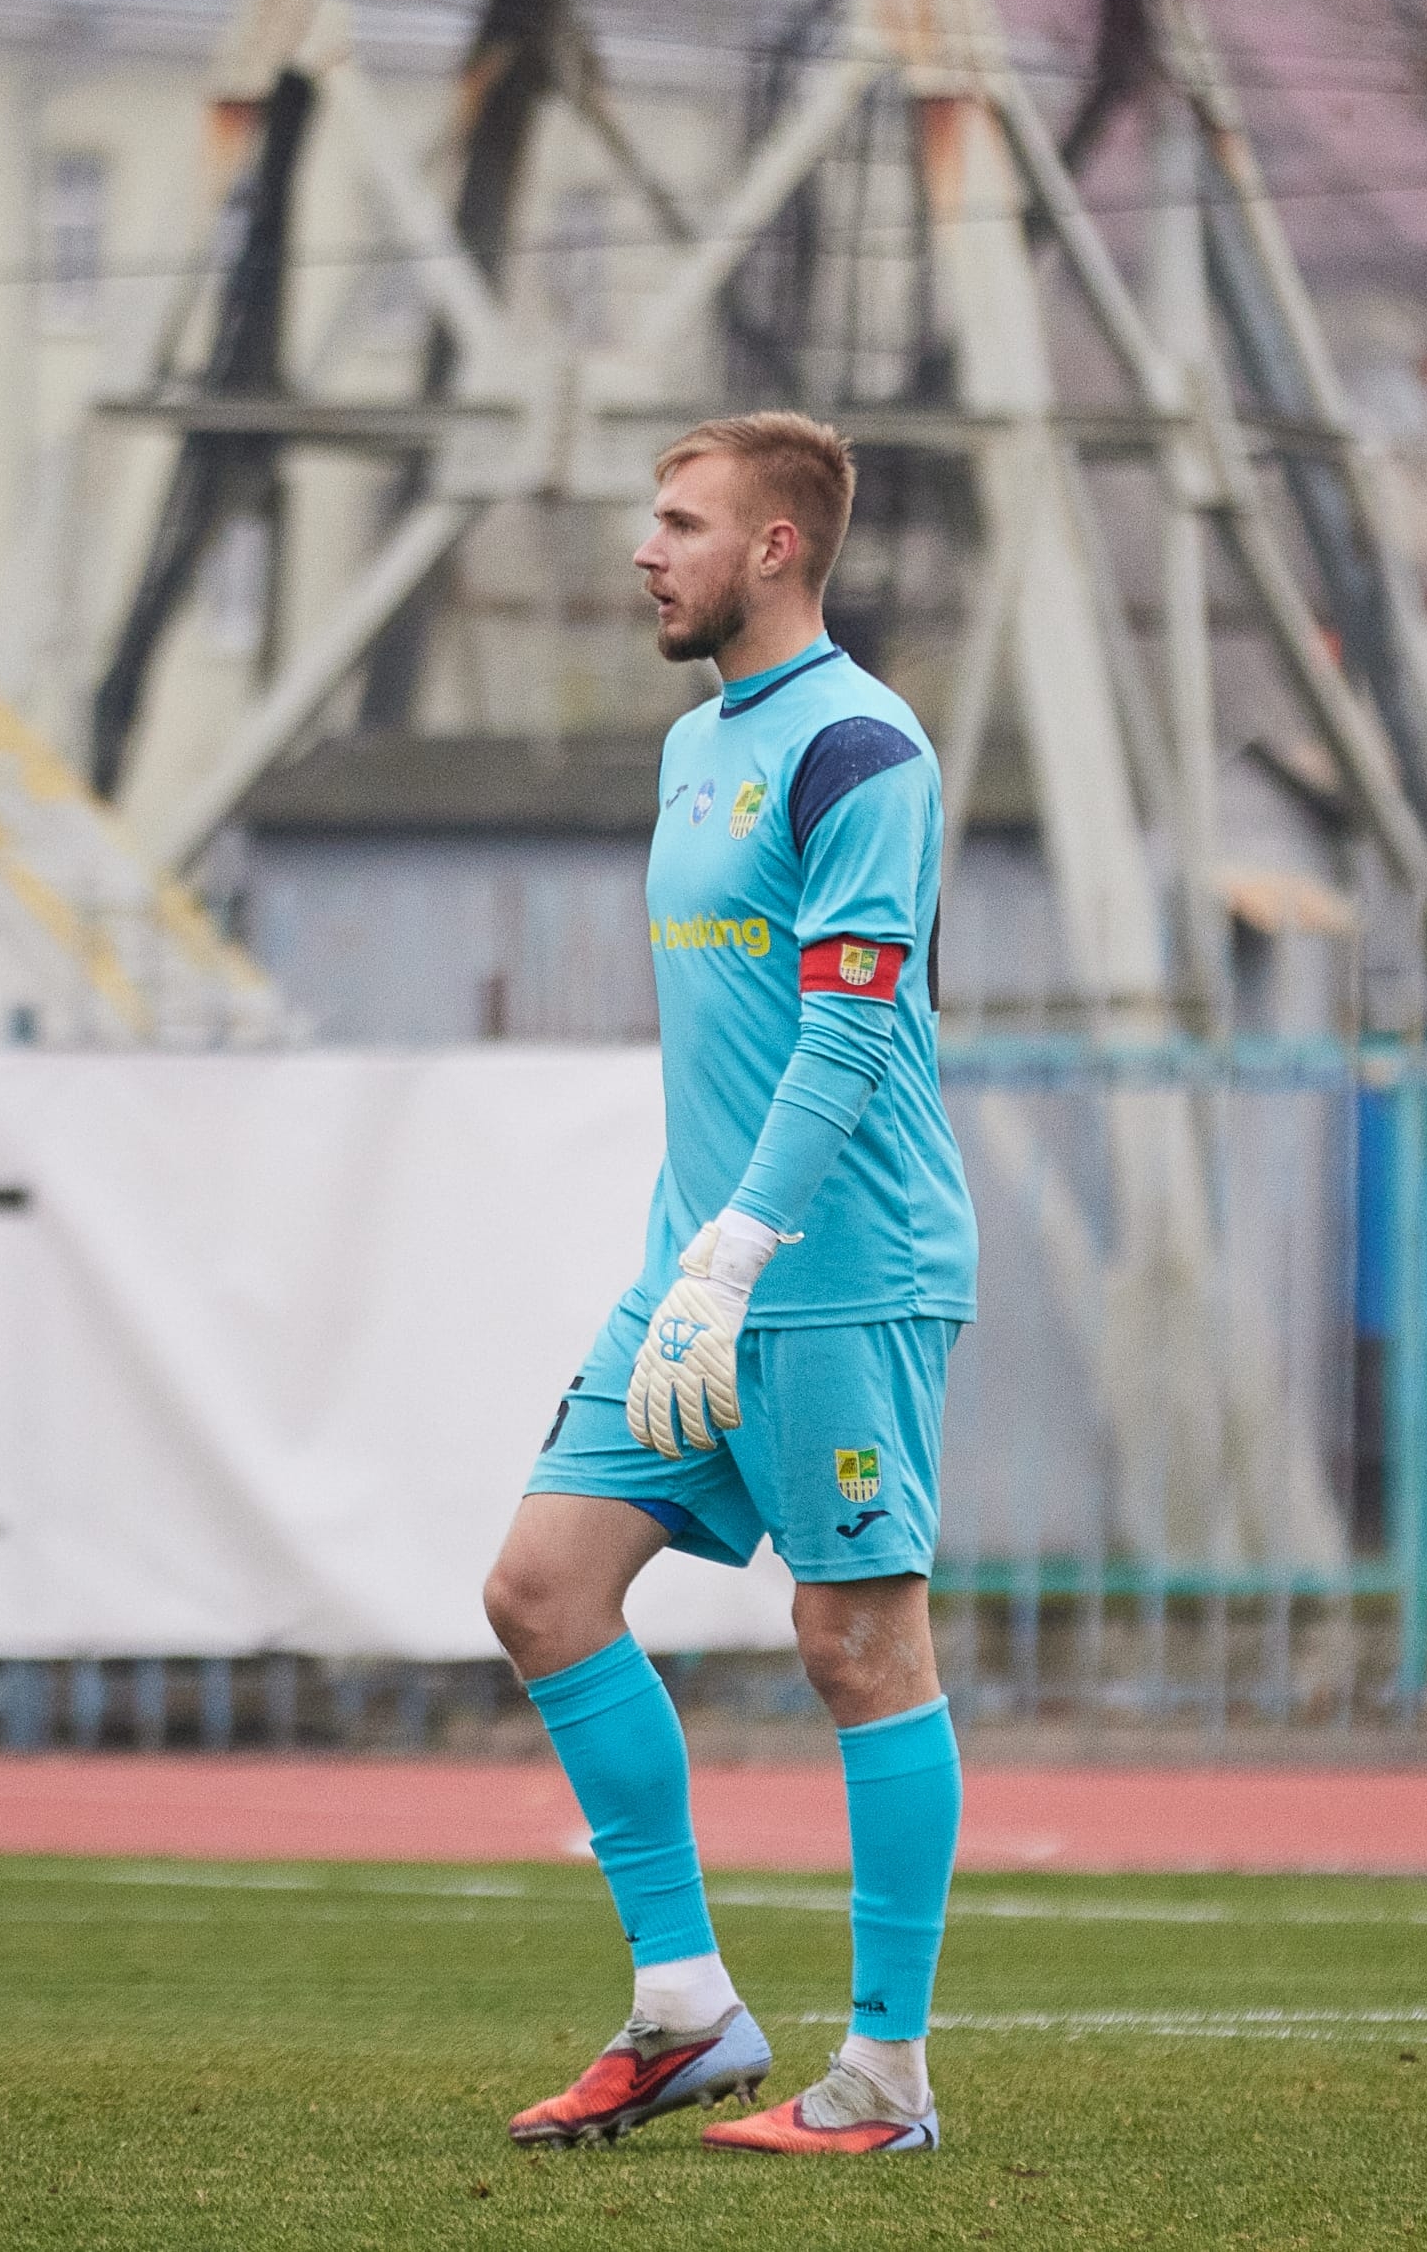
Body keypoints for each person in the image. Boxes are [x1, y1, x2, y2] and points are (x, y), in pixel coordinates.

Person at [482, 411, 978, 2156]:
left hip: (834, 1272)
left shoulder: (860, 749)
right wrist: (693, 1259)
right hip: (693, 1275)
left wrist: (741, 1244)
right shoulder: (700, 742)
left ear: (776, 548)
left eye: (681, 522)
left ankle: (887, 2079)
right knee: (542, 1590)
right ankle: (686, 2008)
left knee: (856, 1643)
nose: (647, 549)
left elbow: (850, 1036)